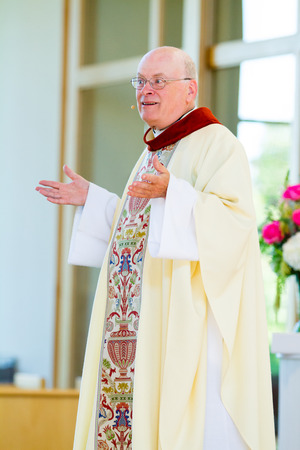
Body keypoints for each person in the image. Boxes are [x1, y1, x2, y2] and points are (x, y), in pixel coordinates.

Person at [36, 46, 275, 450]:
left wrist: (175, 193)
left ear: (189, 90)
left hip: (185, 326)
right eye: (140, 81)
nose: (145, 90)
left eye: (158, 81)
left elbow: (235, 224)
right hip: (139, 323)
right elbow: (141, 230)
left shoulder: (217, 143)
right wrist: (94, 200)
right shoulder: (155, 151)